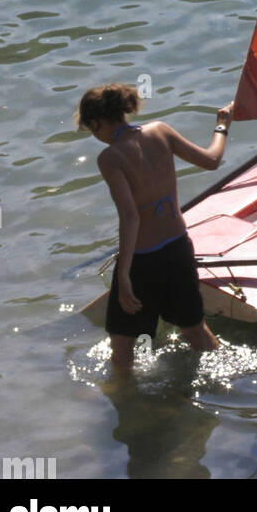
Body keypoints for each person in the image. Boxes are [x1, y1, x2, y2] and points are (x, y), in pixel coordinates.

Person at [76, 83, 234, 368]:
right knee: (194, 329)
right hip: (178, 249)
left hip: (144, 261)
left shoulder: (110, 158)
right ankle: (233, 383)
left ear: (96, 122)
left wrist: (123, 275)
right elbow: (212, 161)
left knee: (122, 345)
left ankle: (124, 405)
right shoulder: (161, 130)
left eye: (91, 130)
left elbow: (130, 217)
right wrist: (222, 125)